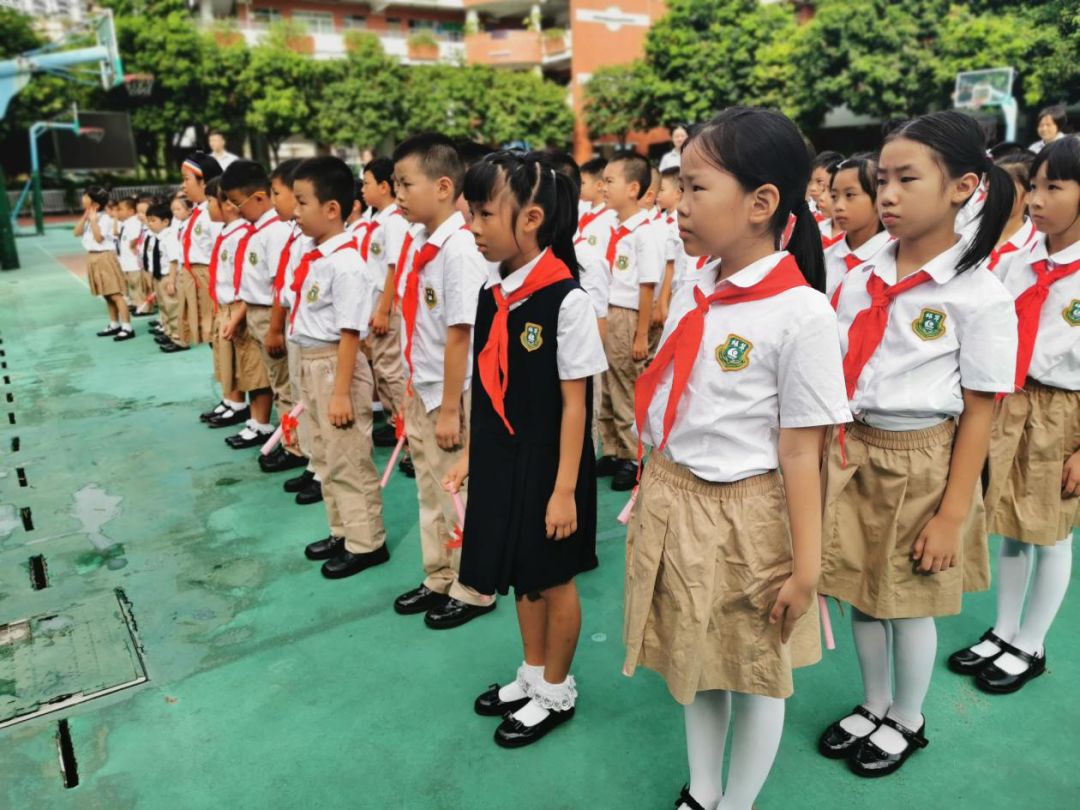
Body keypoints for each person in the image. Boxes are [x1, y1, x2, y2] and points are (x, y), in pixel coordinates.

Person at [623, 107, 850, 810]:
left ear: (761, 203)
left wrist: (806, 571)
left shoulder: (802, 314)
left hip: (749, 518)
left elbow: (803, 450)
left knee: (755, 669)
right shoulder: (701, 284)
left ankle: (738, 802)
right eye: (678, 188)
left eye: (694, 189)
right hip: (676, 494)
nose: (678, 207)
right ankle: (705, 788)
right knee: (695, 660)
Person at [818, 110, 1018, 778]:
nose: (888, 196)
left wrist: (954, 514)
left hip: (923, 461)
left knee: (906, 603)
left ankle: (909, 716)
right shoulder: (859, 271)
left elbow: (981, 412)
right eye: (882, 180)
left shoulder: (979, 294)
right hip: (856, 452)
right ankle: (873, 703)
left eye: (907, 179)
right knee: (859, 589)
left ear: (962, 186)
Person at [444, 150, 607, 748]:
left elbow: (574, 405)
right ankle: (533, 672)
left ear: (532, 217)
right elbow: (489, 389)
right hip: (503, 459)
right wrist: (472, 456)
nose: (474, 226)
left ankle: (557, 690)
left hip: (549, 466)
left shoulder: (567, 301)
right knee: (519, 575)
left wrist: (564, 489)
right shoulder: (495, 293)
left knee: (553, 577)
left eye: (485, 213)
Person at [947, 137, 1080, 694]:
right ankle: (1004, 630)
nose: (1038, 200)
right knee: (1012, 527)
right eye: (1037, 186)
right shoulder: (1022, 261)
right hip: (1015, 401)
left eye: (1056, 187)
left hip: (1063, 410)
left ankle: (1033, 641)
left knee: (1050, 533)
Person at [390, 133, 497, 629]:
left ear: (443, 186)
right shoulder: (422, 243)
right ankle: (439, 574)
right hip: (427, 385)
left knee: (460, 491)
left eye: (406, 183)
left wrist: (452, 407)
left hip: (453, 391)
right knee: (432, 490)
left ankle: (473, 585)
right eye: (395, 184)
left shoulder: (458, 250)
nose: (398, 193)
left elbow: (461, 334)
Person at [286, 156, 390, 580]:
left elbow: (350, 333)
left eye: (301, 202)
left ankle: (367, 543)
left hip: (335, 366)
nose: (295, 212)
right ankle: (342, 531)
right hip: (313, 364)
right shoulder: (317, 256)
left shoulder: (346, 264)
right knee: (326, 455)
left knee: (348, 458)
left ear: (331, 209)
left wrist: (343, 391)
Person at [598, 153, 663, 492]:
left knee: (626, 385)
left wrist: (641, 335)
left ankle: (633, 457)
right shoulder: (616, 228)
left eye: (610, 181)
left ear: (634, 188)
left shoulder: (645, 232)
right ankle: (611, 448)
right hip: (610, 309)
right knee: (608, 383)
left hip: (629, 314)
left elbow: (648, 285)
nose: (602, 187)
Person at [221, 159, 295, 451]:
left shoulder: (275, 232)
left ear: (259, 198)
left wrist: (275, 329)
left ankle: (295, 447)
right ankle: (292, 442)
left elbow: (279, 285)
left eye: (238, 203)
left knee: (284, 385)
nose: (235, 210)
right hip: (256, 312)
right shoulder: (258, 231)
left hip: (270, 315)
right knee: (278, 382)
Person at [203, 177, 271, 442]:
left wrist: (236, 315)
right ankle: (247, 414)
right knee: (240, 367)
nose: (207, 207)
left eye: (211, 201)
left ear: (228, 205)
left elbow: (248, 282)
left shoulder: (243, 235)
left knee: (255, 371)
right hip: (229, 306)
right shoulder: (229, 233)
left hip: (242, 307)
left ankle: (261, 422)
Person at [359, 157, 410, 450]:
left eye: (367, 183)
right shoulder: (377, 220)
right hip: (379, 300)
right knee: (383, 366)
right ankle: (396, 423)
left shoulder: (393, 222)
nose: (363, 189)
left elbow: (393, 267)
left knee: (391, 369)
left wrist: (382, 309)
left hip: (387, 303)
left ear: (383, 185)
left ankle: (403, 427)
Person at [824, 153, 892, 300]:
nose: (838, 206)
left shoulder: (895, 257)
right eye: (834, 196)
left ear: (879, 197)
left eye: (850, 195)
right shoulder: (825, 258)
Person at [174, 152, 223, 355]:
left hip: (208, 277)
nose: (183, 186)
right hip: (192, 276)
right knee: (209, 336)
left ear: (204, 182)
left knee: (217, 335)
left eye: (187, 179)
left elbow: (220, 254)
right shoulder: (196, 213)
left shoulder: (214, 214)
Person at [75, 186, 134, 341]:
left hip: (105, 257)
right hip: (93, 258)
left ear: (95, 202)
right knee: (107, 295)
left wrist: (93, 221)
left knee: (115, 294)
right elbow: (76, 232)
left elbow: (99, 238)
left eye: (85, 196)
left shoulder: (105, 219)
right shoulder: (91, 216)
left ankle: (127, 327)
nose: (82, 199)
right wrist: (86, 217)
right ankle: (114, 324)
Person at [986, 151, 1037, 280]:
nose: (994, 194)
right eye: (990, 187)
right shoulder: (968, 235)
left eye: (1004, 187)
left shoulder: (1038, 246)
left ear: (1029, 195)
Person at [157, 195, 190, 351]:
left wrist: (171, 280)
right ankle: (172, 335)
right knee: (168, 308)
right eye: (173, 209)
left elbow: (174, 259)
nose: (175, 213)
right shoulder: (178, 227)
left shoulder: (174, 232)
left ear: (189, 209)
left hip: (175, 273)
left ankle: (179, 340)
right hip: (170, 273)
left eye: (178, 209)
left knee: (174, 308)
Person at [576, 157, 617, 258]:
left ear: (599, 185)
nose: (579, 187)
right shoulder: (585, 212)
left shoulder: (610, 217)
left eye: (583, 183)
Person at [115, 197, 147, 313]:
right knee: (132, 285)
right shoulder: (126, 223)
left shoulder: (133, 222)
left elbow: (135, 237)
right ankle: (135, 303)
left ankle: (143, 307)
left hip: (133, 261)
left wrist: (132, 246)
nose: (118, 212)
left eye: (120, 209)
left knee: (138, 285)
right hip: (127, 261)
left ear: (131, 211)